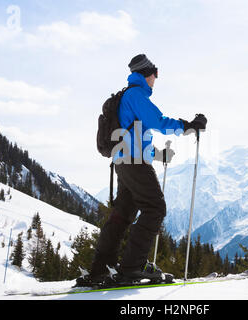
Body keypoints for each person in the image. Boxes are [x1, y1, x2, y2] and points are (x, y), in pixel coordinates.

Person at [88, 54, 207, 284]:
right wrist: (188, 126)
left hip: (124, 162)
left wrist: (158, 154)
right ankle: (133, 266)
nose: (156, 78)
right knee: (155, 208)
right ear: (147, 73)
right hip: (134, 163)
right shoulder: (136, 94)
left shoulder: (127, 96)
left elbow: (135, 137)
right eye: (156, 73)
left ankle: (101, 268)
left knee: (123, 215)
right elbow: (158, 121)